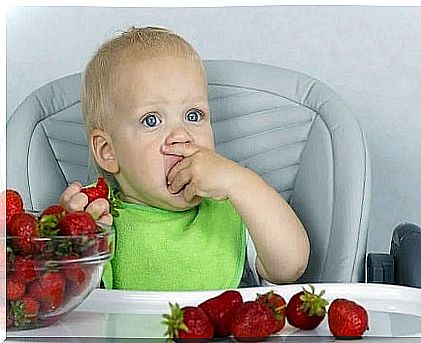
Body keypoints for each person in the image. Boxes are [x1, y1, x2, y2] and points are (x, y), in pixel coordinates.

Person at [60, 26, 310, 291]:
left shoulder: (234, 206)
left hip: (220, 333)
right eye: (151, 120)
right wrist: (69, 241)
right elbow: (64, 300)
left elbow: (290, 267)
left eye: (194, 115)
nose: (181, 135)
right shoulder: (96, 215)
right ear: (108, 152)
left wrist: (241, 182)